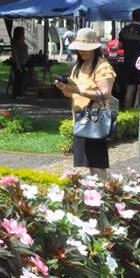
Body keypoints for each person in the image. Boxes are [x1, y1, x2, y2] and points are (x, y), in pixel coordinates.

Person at [54, 28, 117, 178]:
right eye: (79, 49)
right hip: (80, 120)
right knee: (89, 164)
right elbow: (72, 93)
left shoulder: (102, 67)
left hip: (94, 120)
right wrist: (65, 88)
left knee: (97, 165)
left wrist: (79, 90)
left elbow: (104, 94)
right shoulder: (79, 66)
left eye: (85, 49)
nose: (81, 52)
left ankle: (105, 192)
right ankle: (101, 191)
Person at [117, 9, 140, 110]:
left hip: (127, 62)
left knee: (130, 88)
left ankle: (127, 111)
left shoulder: (124, 30)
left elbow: (119, 46)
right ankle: (138, 111)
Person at [9, 27, 29, 99]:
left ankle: (20, 93)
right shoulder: (16, 42)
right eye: (22, 32)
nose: (24, 33)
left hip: (23, 62)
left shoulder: (22, 40)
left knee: (22, 78)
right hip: (18, 63)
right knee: (19, 79)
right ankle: (18, 94)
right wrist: (18, 65)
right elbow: (15, 54)